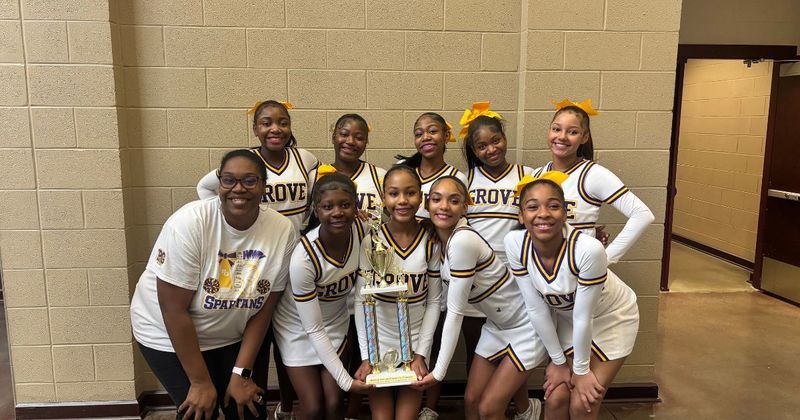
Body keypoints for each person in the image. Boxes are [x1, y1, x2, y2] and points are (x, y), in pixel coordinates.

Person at [130, 149, 297, 420]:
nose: (238, 189)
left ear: (264, 186)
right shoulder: (190, 223)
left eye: (250, 181)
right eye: (229, 180)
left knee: (248, 409)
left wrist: (241, 374)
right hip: (166, 334)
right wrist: (200, 383)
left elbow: (264, 310)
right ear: (219, 183)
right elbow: (173, 310)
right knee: (199, 410)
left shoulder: (281, 230)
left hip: (231, 335)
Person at [505, 174, 640, 419]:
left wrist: (581, 370)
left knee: (582, 403)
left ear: (565, 213)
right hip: (570, 320)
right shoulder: (515, 243)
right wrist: (558, 363)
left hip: (613, 317)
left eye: (554, 206)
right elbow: (536, 309)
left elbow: (583, 316)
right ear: (521, 216)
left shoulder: (588, 249)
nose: (544, 213)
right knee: (556, 396)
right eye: (533, 206)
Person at [413, 176, 546, 420]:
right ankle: (529, 411)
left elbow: (455, 312)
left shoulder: (463, 240)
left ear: (465, 207)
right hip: (497, 327)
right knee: (471, 402)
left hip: (526, 327)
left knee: (488, 409)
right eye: (436, 199)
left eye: (454, 200)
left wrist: (439, 372)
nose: (444, 206)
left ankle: (529, 411)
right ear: (427, 204)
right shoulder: (438, 240)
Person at [460, 101, 539, 419]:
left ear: (505, 138)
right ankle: (487, 407)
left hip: (516, 282)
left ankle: (523, 408)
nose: (490, 149)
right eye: (481, 146)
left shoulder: (527, 176)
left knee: (512, 351)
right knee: (477, 351)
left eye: (495, 141)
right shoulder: (464, 181)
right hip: (477, 283)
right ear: (474, 150)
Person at [272, 173, 373, 420]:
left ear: (356, 206)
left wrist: (368, 356)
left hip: (335, 323)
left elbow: (361, 299)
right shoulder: (303, 257)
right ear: (316, 210)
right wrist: (348, 382)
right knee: (314, 408)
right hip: (298, 328)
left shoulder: (363, 231)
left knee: (335, 402)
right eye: (328, 206)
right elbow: (313, 328)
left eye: (345, 205)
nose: (337, 212)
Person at [353, 165, 442, 420]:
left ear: (421, 197)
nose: (402, 200)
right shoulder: (372, 240)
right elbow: (362, 300)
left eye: (410, 193)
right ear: (383, 198)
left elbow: (434, 301)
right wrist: (367, 355)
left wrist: (421, 353)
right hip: (378, 341)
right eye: (393, 193)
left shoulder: (430, 239)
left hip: (414, 341)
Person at [534, 99, 654, 264]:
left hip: (579, 271)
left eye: (573, 132)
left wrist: (605, 258)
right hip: (542, 271)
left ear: (584, 137)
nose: (561, 137)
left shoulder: (592, 175)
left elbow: (642, 214)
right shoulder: (536, 175)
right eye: (556, 129)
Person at [197, 100, 319, 232]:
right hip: (258, 244)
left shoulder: (304, 158)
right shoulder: (244, 160)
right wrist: (227, 211)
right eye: (266, 124)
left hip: (294, 243)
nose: (275, 129)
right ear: (255, 129)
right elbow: (204, 187)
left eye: (283, 123)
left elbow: (322, 185)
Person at [395, 112, 468, 220]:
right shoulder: (403, 169)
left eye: (432, 131)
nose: (425, 137)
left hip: (437, 237)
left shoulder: (457, 177)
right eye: (419, 134)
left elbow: (458, 218)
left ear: (446, 136)